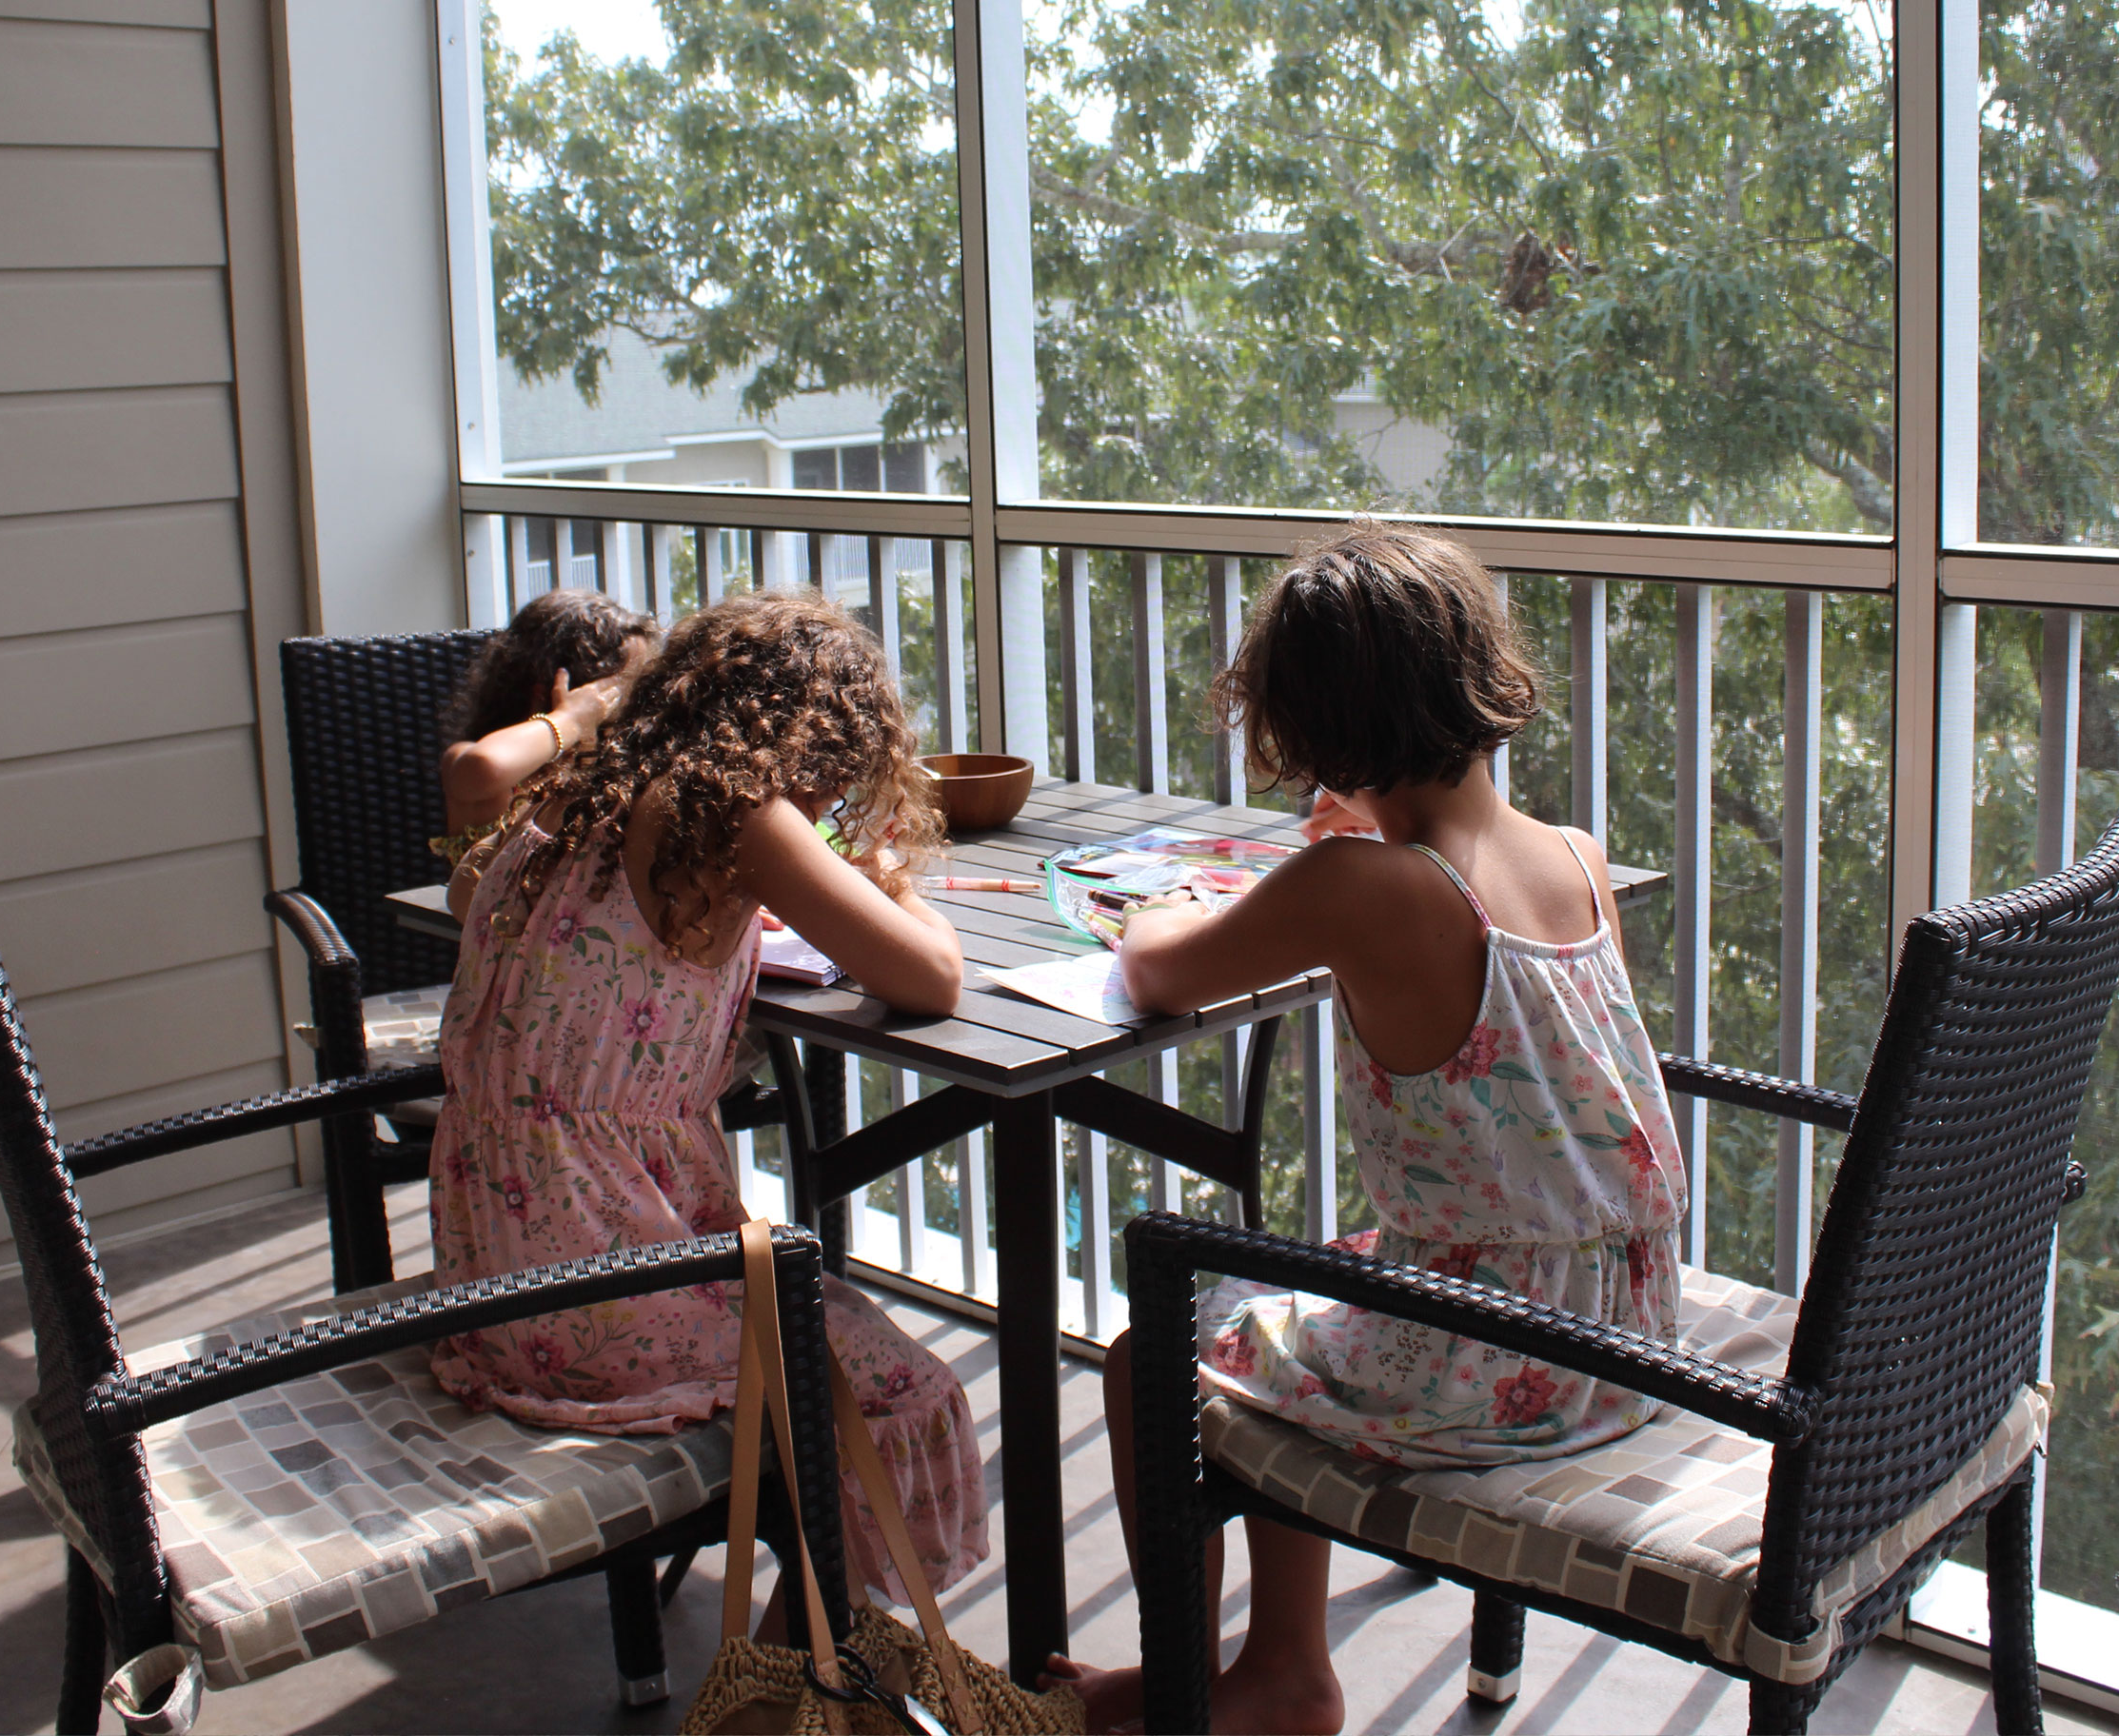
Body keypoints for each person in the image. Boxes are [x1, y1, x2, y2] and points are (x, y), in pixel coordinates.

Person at [1050, 523, 1687, 1734]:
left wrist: (1174, 905)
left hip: (1498, 1355)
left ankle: (1200, 1684)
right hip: (1624, 1322)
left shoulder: (1362, 886)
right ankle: (1285, 1672)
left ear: (1320, 727)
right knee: (1318, 1288)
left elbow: (1160, 973)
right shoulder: (1575, 856)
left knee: (1154, 1354)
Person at [430, 591, 986, 1601]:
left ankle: (809, 1673)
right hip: (593, 1282)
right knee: (909, 1397)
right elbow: (932, 978)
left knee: (827, 1336)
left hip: (488, 1274)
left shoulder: (578, 793)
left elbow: (478, 892)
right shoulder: (741, 817)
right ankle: (804, 1688)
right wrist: (887, 876)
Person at [431, 587, 661, 868]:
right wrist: (572, 720)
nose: (635, 708)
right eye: (615, 695)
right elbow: (484, 764)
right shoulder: (474, 763)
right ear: (549, 692)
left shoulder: (601, 771)